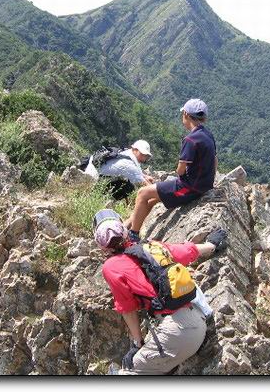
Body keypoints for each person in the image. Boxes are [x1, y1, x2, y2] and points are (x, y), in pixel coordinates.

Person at [93, 209, 227, 375]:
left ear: (103, 248)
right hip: (197, 319)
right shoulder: (151, 247)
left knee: (127, 372)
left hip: (177, 333)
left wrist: (137, 344)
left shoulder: (111, 267)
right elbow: (187, 251)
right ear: (125, 233)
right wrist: (212, 245)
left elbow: (127, 308)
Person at [124, 99, 217, 242]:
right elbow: (215, 161)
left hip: (189, 189)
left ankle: (133, 235)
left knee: (143, 193)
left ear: (186, 114)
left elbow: (180, 171)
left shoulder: (191, 140)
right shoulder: (208, 135)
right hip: (203, 186)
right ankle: (127, 226)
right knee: (153, 198)